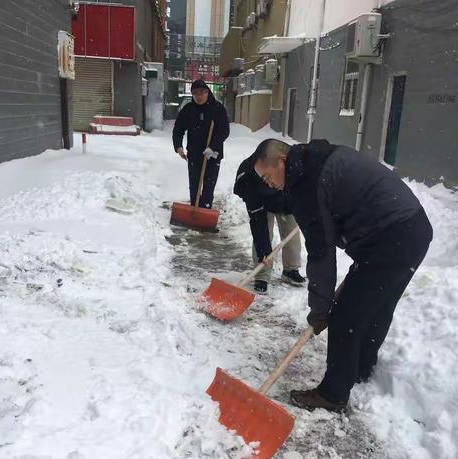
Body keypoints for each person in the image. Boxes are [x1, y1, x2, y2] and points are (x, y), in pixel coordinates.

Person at [251, 138, 433, 411]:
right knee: (376, 306)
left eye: (267, 176)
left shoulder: (307, 187)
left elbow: (321, 256)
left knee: (346, 315)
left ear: (281, 160)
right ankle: (360, 369)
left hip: (391, 236)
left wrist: (321, 310)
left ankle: (333, 394)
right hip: (411, 228)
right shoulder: (313, 158)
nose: (268, 183)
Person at [234, 150, 305, 293]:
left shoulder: (288, 167)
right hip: (264, 201)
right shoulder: (249, 183)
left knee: (291, 232)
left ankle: (291, 270)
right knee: (263, 233)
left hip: (287, 198)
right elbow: (257, 222)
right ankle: (262, 275)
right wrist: (263, 251)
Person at [172, 79, 230, 209]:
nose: (199, 96)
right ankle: (194, 210)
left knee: (208, 187)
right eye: (195, 93)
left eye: (202, 93)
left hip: (213, 155)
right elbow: (178, 129)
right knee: (194, 186)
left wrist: (212, 147)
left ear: (207, 92)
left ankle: (205, 210)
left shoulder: (218, 109)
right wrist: (178, 147)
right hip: (194, 153)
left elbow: (224, 131)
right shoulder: (188, 110)